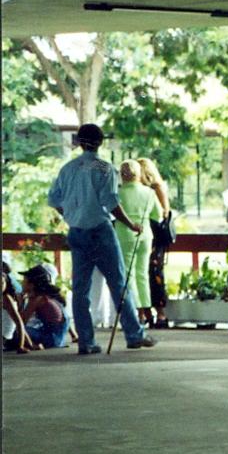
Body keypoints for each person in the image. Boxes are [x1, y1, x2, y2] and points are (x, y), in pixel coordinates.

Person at [47, 122, 156, 355]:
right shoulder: (105, 168)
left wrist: (71, 215)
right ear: (101, 143)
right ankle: (134, 334)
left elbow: (54, 199)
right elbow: (111, 202)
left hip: (76, 232)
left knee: (81, 289)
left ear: (78, 142)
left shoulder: (68, 169)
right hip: (100, 231)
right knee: (118, 283)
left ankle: (86, 342)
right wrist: (131, 224)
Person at [114, 161, 160, 324]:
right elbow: (158, 215)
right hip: (145, 235)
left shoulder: (117, 193)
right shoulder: (149, 192)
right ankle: (147, 310)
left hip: (124, 234)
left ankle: (135, 310)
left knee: (128, 273)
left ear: (122, 175)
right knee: (142, 273)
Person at [137, 157, 174, 327]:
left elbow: (163, 212)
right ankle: (149, 313)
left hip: (154, 237)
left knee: (152, 273)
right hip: (151, 236)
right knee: (146, 273)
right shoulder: (149, 189)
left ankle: (156, 312)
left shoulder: (155, 188)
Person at [20, 264, 72, 349]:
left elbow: (21, 322)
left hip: (51, 339)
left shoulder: (37, 299)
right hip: (58, 339)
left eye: (24, 280)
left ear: (32, 284)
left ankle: (31, 345)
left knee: (14, 332)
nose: (21, 283)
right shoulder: (49, 295)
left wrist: (20, 303)